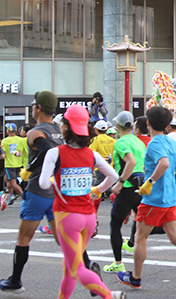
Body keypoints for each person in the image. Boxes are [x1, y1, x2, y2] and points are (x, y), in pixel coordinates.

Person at [117, 107, 176, 292]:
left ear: (148, 123)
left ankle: (136, 278)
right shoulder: (170, 141)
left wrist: (150, 181)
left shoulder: (154, 143)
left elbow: (165, 163)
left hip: (154, 199)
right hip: (169, 198)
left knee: (140, 237)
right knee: (175, 237)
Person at [37, 105, 124, 299]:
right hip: (88, 218)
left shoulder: (55, 153)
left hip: (67, 217)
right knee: (69, 266)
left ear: (66, 127)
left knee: (76, 269)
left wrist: (54, 180)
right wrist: (97, 190)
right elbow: (113, 175)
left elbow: (43, 183)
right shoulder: (90, 154)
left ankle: (109, 295)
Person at [0, 91, 64, 293]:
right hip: (56, 191)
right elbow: (59, 158)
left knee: (24, 237)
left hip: (37, 191)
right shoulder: (59, 131)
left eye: (34, 104)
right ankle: (87, 267)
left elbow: (45, 152)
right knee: (62, 238)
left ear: (38, 108)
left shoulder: (36, 132)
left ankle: (15, 281)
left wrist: (27, 171)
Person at [103, 111, 147, 273]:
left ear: (117, 126)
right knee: (140, 219)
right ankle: (132, 246)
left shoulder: (120, 143)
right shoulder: (139, 142)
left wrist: (120, 183)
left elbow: (131, 162)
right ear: (133, 126)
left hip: (127, 187)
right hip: (141, 186)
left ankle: (118, 262)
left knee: (115, 224)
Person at [1, 123, 24, 202]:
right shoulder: (20, 139)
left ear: (8, 130)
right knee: (6, 179)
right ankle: (11, 195)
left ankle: (23, 197)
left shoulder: (5, 141)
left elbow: (3, 154)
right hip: (19, 163)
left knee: (13, 183)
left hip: (10, 164)